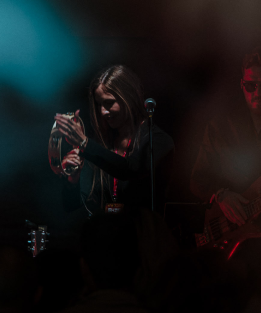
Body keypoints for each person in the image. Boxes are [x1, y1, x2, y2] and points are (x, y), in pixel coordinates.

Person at [190, 47, 261, 261]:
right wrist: (222, 194)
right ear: (242, 85)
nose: (257, 93)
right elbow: (198, 180)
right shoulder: (219, 128)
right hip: (229, 244)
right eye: (250, 86)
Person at [54, 65, 174, 215]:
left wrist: (84, 143)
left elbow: (130, 169)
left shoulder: (158, 140)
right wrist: (73, 180)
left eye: (109, 102)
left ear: (129, 97)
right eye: (99, 104)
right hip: (108, 235)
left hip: (145, 235)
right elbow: (73, 207)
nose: (103, 111)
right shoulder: (101, 145)